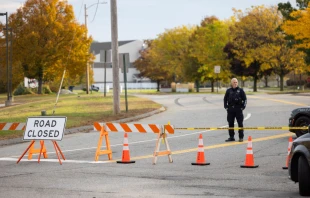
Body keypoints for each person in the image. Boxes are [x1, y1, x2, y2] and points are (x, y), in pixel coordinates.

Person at [223, 78, 247, 142]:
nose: (235, 83)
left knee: (240, 123)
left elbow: (245, 99)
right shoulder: (228, 91)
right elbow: (225, 99)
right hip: (230, 109)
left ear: (237, 83)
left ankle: (241, 137)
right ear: (231, 83)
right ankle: (231, 137)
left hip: (238, 109)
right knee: (230, 123)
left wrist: (243, 107)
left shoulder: (241, 90)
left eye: (236, 82)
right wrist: (226, 107)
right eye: (234, 82)